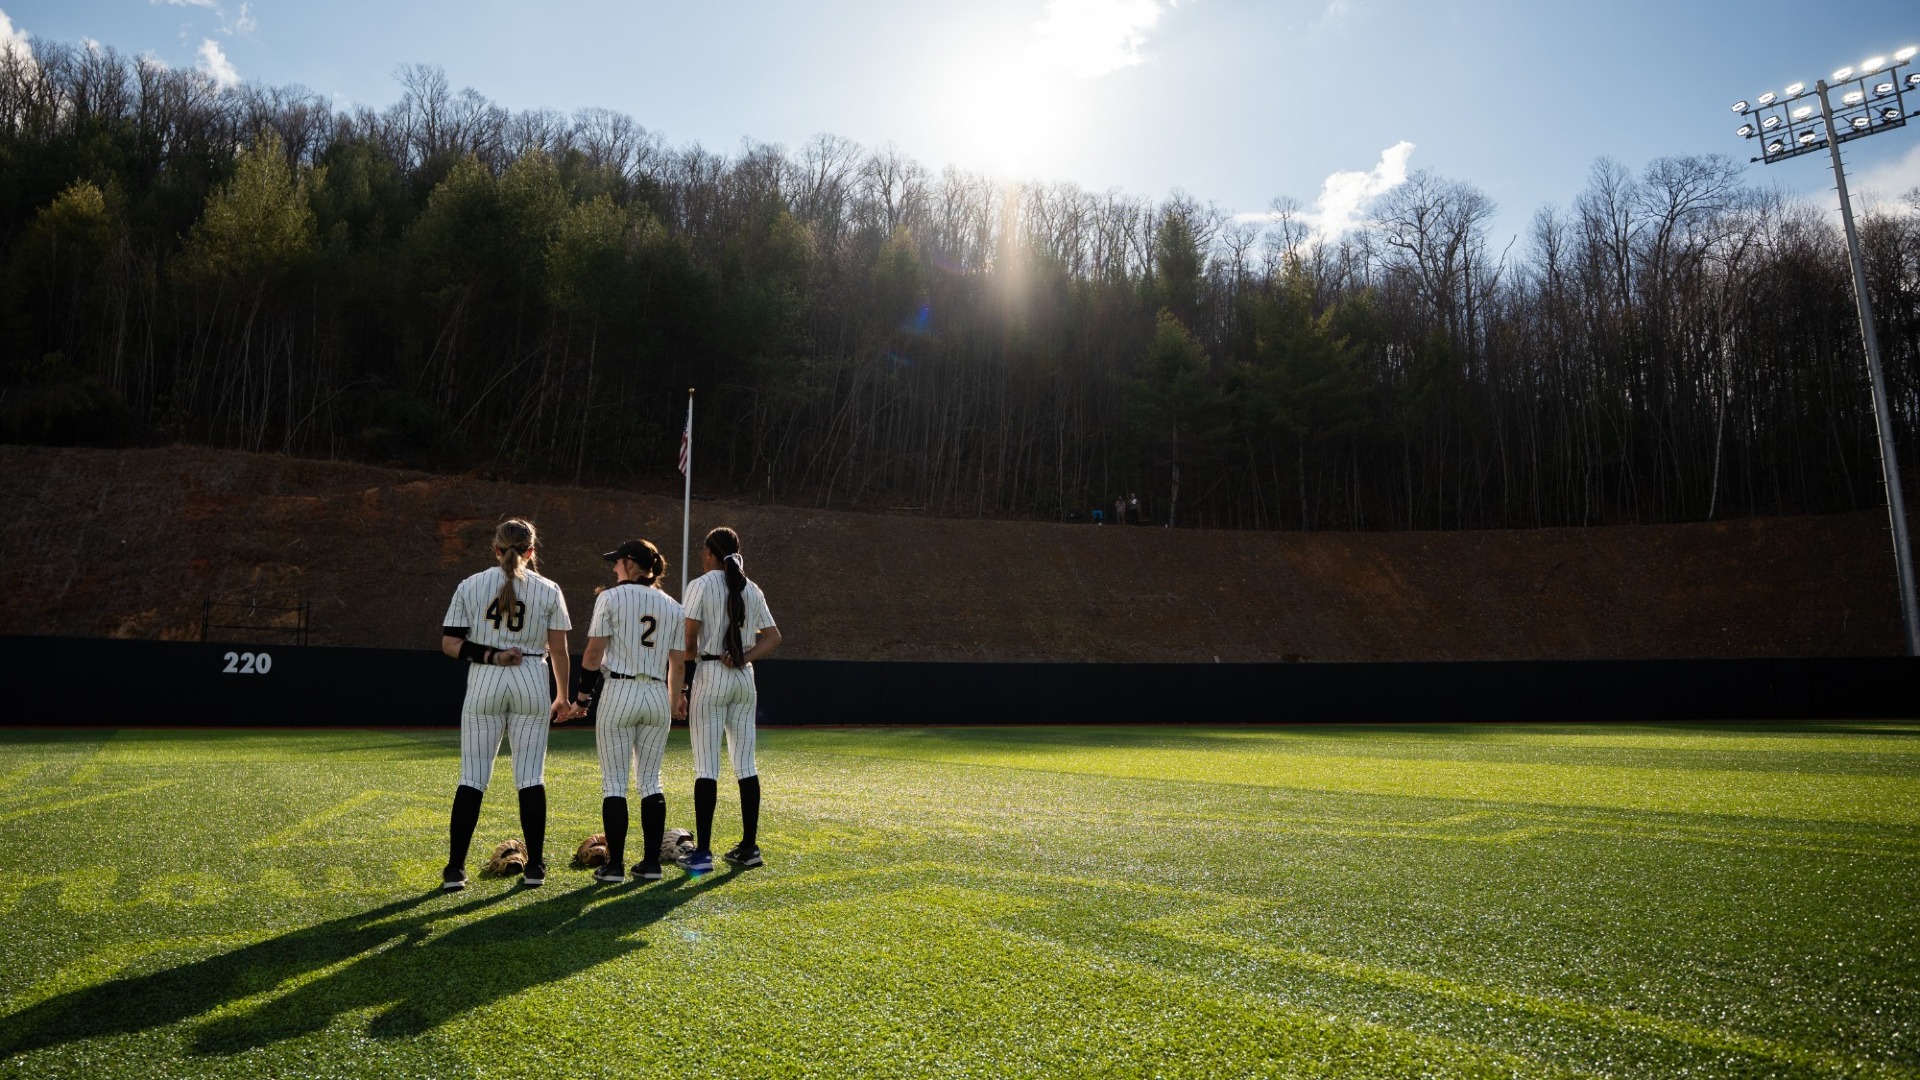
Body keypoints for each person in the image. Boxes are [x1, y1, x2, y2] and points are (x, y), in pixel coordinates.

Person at [437, 518, 578, 891]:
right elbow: (560, 649)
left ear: (496, 549)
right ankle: (536, 868)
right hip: (532, 674)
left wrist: (493, 656)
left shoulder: (470, 584)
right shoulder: (548, 588)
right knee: (530, 777)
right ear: (531, 551)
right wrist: (562, 695)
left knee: (472, 778)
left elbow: (450, 644)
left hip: (486, 678)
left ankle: (455, 870)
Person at [573, 538, 685, 883]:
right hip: (655, 693)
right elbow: (678, 663)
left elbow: (593, 656)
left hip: (619, 690)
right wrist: (676, 697)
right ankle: (650, 864)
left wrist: (582, 698)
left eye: (617, 561)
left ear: (632, 564)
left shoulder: (610, 597)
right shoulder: (672, 605)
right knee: (651, 781)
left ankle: (616, 866)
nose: (613, 567)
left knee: (615, 784)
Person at [679, 526, 781, 872]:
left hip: (710, 675)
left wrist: (681, 686)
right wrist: (745, 656)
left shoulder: (701, 584)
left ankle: (703, 853)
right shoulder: (750, 587)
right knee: (746, 765)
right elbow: (773, 637)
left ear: (710, 552)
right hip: (743, 678)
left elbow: (689, 641)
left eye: (704, 551)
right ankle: (749, 847)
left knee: (707, 766)